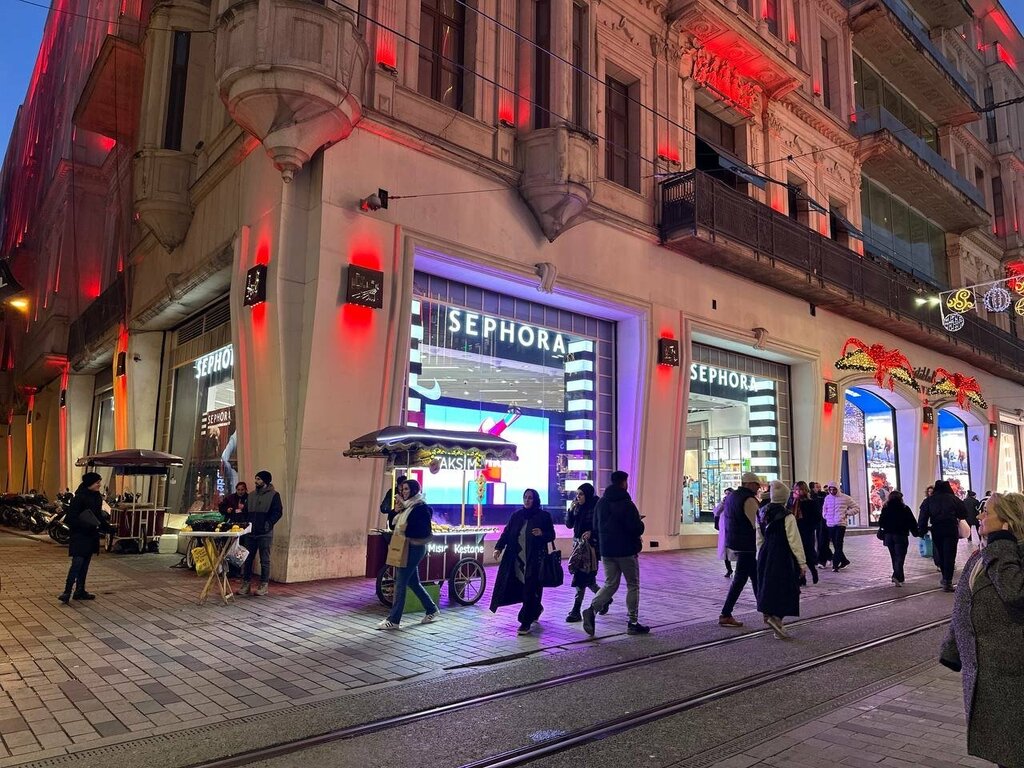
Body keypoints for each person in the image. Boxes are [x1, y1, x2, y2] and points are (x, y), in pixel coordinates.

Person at [940, 492, 1024, 768]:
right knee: (1005, 748)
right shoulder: (981, 555)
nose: (979, 516)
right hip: (985, 670)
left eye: (986, 512)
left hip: (1013, 671)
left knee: (1015, 748)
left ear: (1008, 520)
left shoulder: (1008, 554)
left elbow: (1015, 592)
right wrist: (953, 647)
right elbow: (964, 602)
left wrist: (1003, 546)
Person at [582, 470, 649, 636]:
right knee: (632, 584)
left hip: (607, 551)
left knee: (610, 583)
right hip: (626, 551)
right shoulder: (627, 504)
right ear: (623, 483)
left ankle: (592, 609)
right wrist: (639, 522)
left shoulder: (601, 503)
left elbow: (595, 526)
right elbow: (636, 528)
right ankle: (633, 622)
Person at [490, 489, 556, 635]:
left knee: (530, 587)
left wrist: (542, 534)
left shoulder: (543, 516)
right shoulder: (517, 516)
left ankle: (525, 622)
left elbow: (551, 535)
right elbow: (507, 533)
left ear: (535, 499)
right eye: (525, 497)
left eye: (530, 498)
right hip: (517, 559)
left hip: (535, 559)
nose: (527, 500)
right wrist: (498, 548)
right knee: (525, 587)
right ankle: (536, 608)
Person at [376, 479, 439, 629]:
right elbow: (392, 525)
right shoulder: (405, 507)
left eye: (406, 489)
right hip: (405, 547)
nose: (403, 492)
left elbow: (422, 530)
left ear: (414, 490)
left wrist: (405, 529)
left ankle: (394, 620)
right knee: (413, 582)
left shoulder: (420, 507)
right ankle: (431, 609)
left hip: (415, 547)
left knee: (401, 581)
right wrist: (395, 511)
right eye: (402, 489)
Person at [755, 481, 806, 638]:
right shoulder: (787, 516)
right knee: (786, 586)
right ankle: (777, 618)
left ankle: (770, 615)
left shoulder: (761, 512)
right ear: (785, 497)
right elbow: (794, 540)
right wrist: (801, 563)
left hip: (765, 553)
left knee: (768, 585)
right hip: (783, 554)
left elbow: (759, 537)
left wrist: (760, 555)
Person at [59, 472, 112, 604]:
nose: (99, 484)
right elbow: (71, 518)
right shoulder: (79, 498)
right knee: (77, 564)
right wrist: (86, 524)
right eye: (97, 482)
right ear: (90, 483)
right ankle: (67, 591)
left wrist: (108, 528)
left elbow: (98, 516)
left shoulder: (97, 497)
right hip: (79, 535)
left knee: (85, 565)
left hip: (91, 536)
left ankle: (80, 590)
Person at [718, 472, 762, 628]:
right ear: (749, 484)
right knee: (740, 579)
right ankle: (726, 613)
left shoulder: (732, 496)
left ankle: (765, 609)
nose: (758, 487)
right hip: (747, 544)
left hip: (735, 541)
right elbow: (756, 523)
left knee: (754, 576)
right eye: (756, 484)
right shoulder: (748, 499)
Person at [918, 479, 967, 592]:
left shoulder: (929, 500)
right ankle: (948, 581)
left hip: (937, 529)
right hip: (951, 528)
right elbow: (964, 514)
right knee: (950, 554)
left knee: (941, 553)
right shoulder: (954, 499)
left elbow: (923, 517)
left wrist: (922, 531)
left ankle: (944, 577)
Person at [239, 470, 283, 596]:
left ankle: (264, 584)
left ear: (265, 481)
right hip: (251, 533)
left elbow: (278, 512)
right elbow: (245, 511)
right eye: (256, 478)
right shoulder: (251, 495)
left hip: (264, 533)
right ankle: (246, 584)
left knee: (264, 560)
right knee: (248, 559)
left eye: (258, 479)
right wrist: (246, 524)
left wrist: (268, 524)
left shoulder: (274, 495)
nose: (256, 481)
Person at [565, 483, 599, 622]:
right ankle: (605, 598)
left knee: (581, 577)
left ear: (587, 495)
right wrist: (570, 510)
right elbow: (569, 525)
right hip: (578, 546)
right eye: (577, 494)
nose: (578, 497)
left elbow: (599, 525)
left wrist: (592, 533)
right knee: (588, 580)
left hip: (590, 548)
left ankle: (576, 610)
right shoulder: (577, 507)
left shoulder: (595, 507)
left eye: (581, 494)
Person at [877, 490, 918, 586]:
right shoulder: (904, 508)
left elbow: (881, 522)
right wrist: (916, 532)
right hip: (901, 536)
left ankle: (900, 577)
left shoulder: (886, 508)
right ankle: (896, 575)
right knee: (900, 557)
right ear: (900, 498)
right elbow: (912, 522)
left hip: (888, 536)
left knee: (894, 556)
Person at [823, 482, 859, 572]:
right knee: (835, 544)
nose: (832, 491)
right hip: (830, 524)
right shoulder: (827, 498)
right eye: (830, 489)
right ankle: (844, 561)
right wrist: (826, 516)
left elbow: (856, 508)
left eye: (834, 489)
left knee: (838, 544)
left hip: (840, 524)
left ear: (837, 489)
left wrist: (847, 513)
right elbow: (824, 509)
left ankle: (835, 565)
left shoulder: (845, 498)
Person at [790, 482, 819, 585]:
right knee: (797, 554)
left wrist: (811, 527)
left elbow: (817, 517)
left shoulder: (810, 502)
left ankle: (813, 571)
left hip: (807, 531)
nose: (799, 492)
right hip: (795, 531)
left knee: (807, 553)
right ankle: (802, 578)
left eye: (801, 489)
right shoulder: (792, 502)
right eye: (797, 489)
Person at [809, 482, 832, 567]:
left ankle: (822, 560)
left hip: (823, 521)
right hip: (816, 521)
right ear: (813, 488)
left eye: (819, 487)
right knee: (821, 541)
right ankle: (829, 557)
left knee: (822, 541)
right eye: (817, 487)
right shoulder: (811, 496)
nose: (818, 488)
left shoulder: (823, 495)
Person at [713, 488, 734, 578]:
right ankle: (729, 569)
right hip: (724, 530)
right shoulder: (723, 504)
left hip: (733, 530)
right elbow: (716, 512)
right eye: (726, 494)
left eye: (729, 494)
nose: (727, 495)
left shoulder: (734, 504)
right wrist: (722, 503)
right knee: (725, 551)